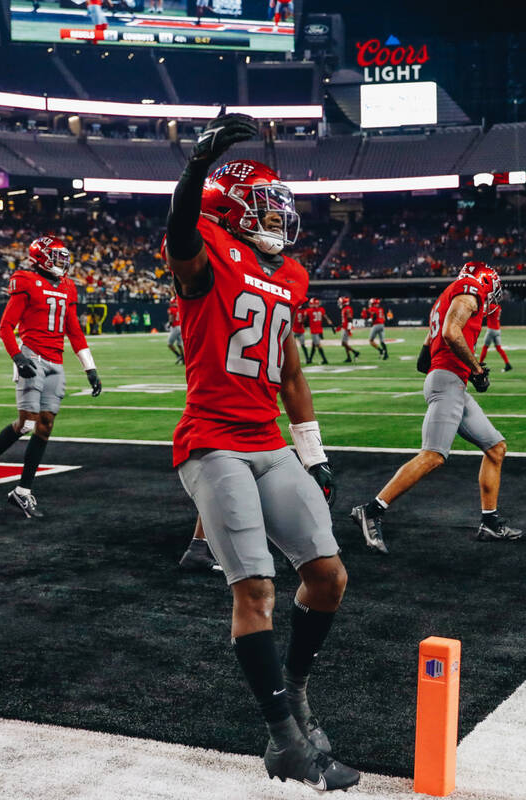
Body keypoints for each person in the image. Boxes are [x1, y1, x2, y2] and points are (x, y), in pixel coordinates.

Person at [165, 112, 359, 791]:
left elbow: (291, 368)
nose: (278, 215)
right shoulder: (207, 247)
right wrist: (196, 167)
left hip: (267, 438)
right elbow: (180, 232)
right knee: (255, 588)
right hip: (212, 441)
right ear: (237, 207)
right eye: (266, 202)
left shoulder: (290, 274)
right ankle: (284, 741)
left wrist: (313, 449)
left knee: (328, 575)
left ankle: (297, 696)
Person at [351, 261, 521, 555]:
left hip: (449, 382)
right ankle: (372, 510)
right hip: (449, 381)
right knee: (432, 456)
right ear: (485, 281)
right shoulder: (470, 290)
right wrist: (477, 370)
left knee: (496, 448)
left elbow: (423, 359)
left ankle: (490, 522)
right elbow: (452, 333)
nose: (492, 294)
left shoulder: (448, 296)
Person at [0, 236, 103, 519]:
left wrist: (90, 368)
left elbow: (75, 331)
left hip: (56, 361)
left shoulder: (67, 286)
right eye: (56, 257)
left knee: (45, 425)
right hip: (31, 356)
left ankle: (22, 491)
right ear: (40, 257)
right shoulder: (25, 280)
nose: (62, 263)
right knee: (27, 422)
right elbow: (6, 326)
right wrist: (18, 357)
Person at [478, 302, 511, 372]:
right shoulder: (498, 307)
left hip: (491, 330)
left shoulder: (492, 306)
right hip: (497, 330)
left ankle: (479, 364)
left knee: (485, 347)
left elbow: (483, 314)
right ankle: (508, 364)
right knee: (499, 348)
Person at [336, 297, 361, 363]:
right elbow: (345, 320)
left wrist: (349, 329)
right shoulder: (344, 309)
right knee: (345, 343)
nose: (339, 303)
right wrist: (340, 326)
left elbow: (350, 319)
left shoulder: (347, 309)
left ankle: (355, 352)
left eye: (340, 302)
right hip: (345, 327)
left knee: (343, 343)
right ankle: (349, 358)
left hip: (347, 328)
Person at [304, 297, 328, 365]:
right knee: (314, 345)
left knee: (318, 345)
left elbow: (304, 320)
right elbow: (326, 317)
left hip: (314, 330)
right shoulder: (321, 309)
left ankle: (325, 359)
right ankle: (310, 359)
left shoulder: (309, 310)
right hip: (320, 330)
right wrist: (331, 324)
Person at [166, 294, 184, 364]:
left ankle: (178, 355)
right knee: (179, 344)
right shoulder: (179, 308)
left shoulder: (171, 309)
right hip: (180, 327)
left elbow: (171, 318)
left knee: (169, 344)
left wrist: (169, 324)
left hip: (175, 327)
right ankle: (183, 358)